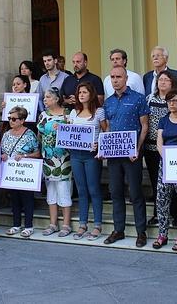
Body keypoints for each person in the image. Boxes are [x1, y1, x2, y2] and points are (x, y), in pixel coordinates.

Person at [102, 66, 150, 247]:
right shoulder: (108, 102)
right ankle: (118, 230)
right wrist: (106, 148)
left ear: (126, 78)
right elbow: (107, 127)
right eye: (112, 77)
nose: (115, 80)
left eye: (118, 77)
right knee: (115, 192)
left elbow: (144, 125)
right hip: (114, 156)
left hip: (132, 155)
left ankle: (141, 232)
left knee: (136, 193)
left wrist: (137, 148)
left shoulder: (138, 99)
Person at [153, 89, 177, 251]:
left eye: (175, 100)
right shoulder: (163, 120)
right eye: (169, 101)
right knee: (162, 199)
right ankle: (162, 233)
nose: (172, 104)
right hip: (166, 162)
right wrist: (167, 159)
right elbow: (159, 142)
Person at [69, 82, 107, 240]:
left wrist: (100, 145)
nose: (81, 95)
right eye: (79, 92)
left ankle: (97, 224)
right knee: (81, 190)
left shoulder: (99, 112)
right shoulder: (73, 112)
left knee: (94, 189)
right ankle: (82, 223)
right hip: (75, 155)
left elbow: (106, 131)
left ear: (91, 94)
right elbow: (69, 132)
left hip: (91, 156)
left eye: (84, 92)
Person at [144, 70, 177, 226]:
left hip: (173, 148)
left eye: (166, 80)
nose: (163, 82)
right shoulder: (149, 99)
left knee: (173, 183)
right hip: (152, 147)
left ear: (172, 83)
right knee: (156, 184)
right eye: (160, 80)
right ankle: (159, 214)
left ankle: (175, 214)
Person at [37, 88, 73, 237]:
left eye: (48, 97)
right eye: (44, 97)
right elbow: (40, 136)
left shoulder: (68, 114)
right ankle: (53, 223)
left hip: (64, 158)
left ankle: (66, 224)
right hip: (48, 158)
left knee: (64, 189)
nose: (45, 100)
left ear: (57, 99)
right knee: (51, 190)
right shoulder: (43, 115)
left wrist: (63, 128)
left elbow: (74, 134)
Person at [2, 106, 40, 238]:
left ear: (22, 120)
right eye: (9, 118)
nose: (11, 121)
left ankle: (29, 226)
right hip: (11, 172)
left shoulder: (29, 134)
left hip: (26, 172)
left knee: (27, 198)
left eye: (14, 119)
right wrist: (3, 156)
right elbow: (2, 151)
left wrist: (25, 156)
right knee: (14, 198)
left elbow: (37, 153)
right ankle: (16, 224)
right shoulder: (6, 135)